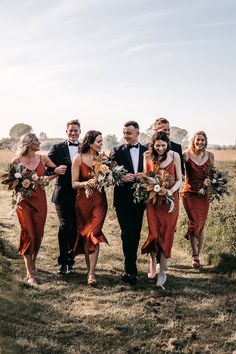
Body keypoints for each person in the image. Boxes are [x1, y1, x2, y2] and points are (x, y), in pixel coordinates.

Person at [11, 133, 64, 285]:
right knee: (28, 233)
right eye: (36, 140)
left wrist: (47, 178)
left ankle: (33, 262)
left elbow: (56, 171)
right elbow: (12, 182)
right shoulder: (17, 161)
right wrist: (20, 185)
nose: (39, 142)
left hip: (40, 201)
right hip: (23, 202)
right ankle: (29, 275)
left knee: (38, 234)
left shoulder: (43, 158)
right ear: (28, 143)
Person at [141, 131, 182, 288]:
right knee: (154, 234)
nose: (160, 148)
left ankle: (163, 272)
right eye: (157, 145)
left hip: (170, 201)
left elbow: (180, 179)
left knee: (166, 234)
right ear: (153, 144)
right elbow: (146, 177)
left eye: (163, 145)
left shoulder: (174, 155)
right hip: (153, 201)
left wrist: (171, 191)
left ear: (168, 144)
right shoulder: (147, 156)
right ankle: (153, 262)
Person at [111, 121, 147, 285]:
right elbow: (108, 173)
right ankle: (130, 269)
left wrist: (144, 176)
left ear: (137, 132)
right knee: (126, 234)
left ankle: (132, 267)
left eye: (129, 133)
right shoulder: (116, 151)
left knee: (136, 233)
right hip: (122, 200)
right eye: (124, 133)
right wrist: (121, 177)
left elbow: (154, 172)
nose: (126, 135)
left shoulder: (147, 151)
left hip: (140, 200)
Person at [72, 130, 108, 285]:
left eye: (101, 141)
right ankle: (90, 272)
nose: (101, 144)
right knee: (87, 237)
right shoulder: (78, 159)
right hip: (83, 201)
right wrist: (87, 183)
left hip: (99, 200)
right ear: (90, 142)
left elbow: (108, 179)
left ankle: (91, 273)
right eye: (99, 141)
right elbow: (73, 183)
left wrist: (109, 178)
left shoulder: (104, 158)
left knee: (94, 232)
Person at [48, 119, 81, 274]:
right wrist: (55, 170)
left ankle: (71, 260)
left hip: (80, 195)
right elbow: (46, 169)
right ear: (66, 131)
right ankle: (62, 262)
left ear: (80, 132)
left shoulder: (85, 148)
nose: (73, 133)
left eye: (76, 130)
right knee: (64, 226)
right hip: (62, 194)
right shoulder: (57, 148)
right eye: (71, 130)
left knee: (74, 227)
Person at [182, 131, 214, 268]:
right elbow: (178, 172)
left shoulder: (211, 156)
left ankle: (197, 255)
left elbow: (213, 174)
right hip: (189, 194)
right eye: (198, 140)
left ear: (205, 141)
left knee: (200, 226)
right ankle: (195, 255)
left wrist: (212, 182)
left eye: (202, 140)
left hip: (203, 196)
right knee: (194, 222)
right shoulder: (186, 155)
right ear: (193, 141)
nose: (200, 142)